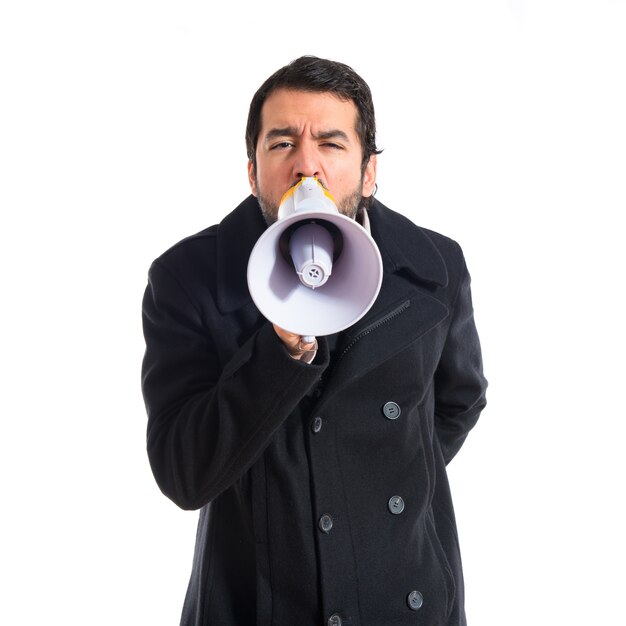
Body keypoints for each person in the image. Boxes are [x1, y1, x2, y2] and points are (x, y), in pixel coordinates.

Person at [141, 55, 487, 626]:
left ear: (369, 170)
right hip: (259, 599)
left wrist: (368, 479)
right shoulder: (189, 277)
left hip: (404, 593)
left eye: (331, 143)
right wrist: (280, 350)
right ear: (251, 170)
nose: (307, 167)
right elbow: (183, 474)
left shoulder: (437, 266)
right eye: (281, 144)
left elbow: (458, 402)